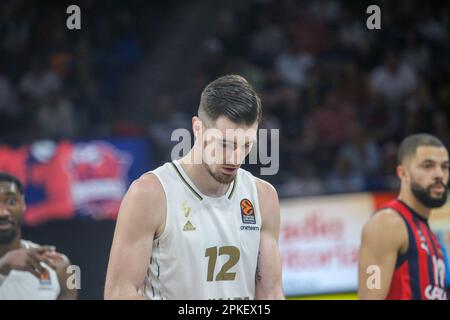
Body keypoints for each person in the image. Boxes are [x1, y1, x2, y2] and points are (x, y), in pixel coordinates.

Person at [105, 75, 284, 300]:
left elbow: (270, 293)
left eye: (246, 145)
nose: (235, 157)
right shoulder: (150, 194)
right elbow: (120, 292)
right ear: (198, 128)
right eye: (225, 143)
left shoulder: (263, 196)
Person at [358, 134, 449, 300]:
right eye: (428, 166)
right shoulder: (387, 223)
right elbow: (370, 295)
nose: (439, 175)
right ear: (403, 173)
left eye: (444, 166)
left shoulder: (430, 236)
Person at [0, 172, 77, 300]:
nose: (2, 212)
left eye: (11, 201)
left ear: (23, 204)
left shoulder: (60, 266)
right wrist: (4, 264)